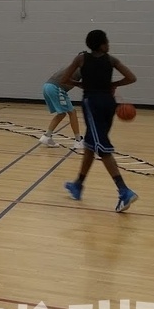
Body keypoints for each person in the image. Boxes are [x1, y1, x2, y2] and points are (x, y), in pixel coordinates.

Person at [61, 29, 139, 212]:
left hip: (92, 103)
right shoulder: (111, 60)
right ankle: (78, 184)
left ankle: (124, 191)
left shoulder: (81, 59)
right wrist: (113, 84)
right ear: (102, 44)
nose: (109, 44)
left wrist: (80, 84)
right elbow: (131, 78)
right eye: (107, 41)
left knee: (102, 147)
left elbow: (65, 78)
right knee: (91, 144)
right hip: (109, 104)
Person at [38, 65, 82, 149]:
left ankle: (47, 136)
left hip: (47, 86)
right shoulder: (82, 67)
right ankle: (78, 141)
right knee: (72, 112)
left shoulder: (72, 66)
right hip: (56, 87)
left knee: (61, 114)